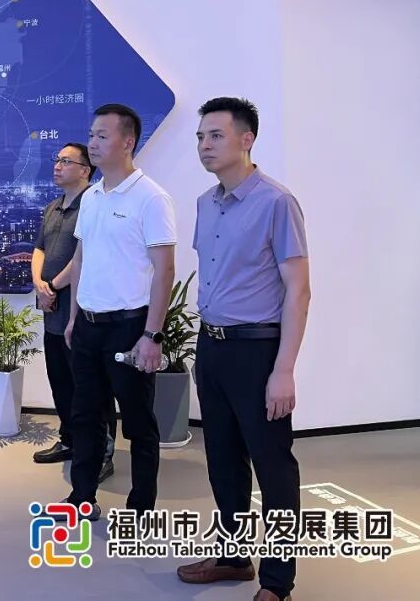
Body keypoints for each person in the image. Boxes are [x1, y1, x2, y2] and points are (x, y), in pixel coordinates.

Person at [176, 97, 310, 601]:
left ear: (246, 139)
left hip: (258, 352)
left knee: (273, 467)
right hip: (212, 348)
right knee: (223, 460)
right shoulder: (204, 202)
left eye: (215, 135)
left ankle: (277, 582)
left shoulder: (276, 202)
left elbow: (299, 290)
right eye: (200, 137)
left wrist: (284, 369)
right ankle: (233, 557)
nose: (204, 145)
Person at [62, 104, 177, 520]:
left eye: (102, 136)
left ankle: (141, 507)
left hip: (129, 328)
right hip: (88, 326)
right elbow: (81, 259)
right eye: (91, 135)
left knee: (138, 422)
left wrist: (152, 335)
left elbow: (165, 270)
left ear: (127, 142)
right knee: (86, 416)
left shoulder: (151, 197)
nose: (92, 143)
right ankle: (82, 497)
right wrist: (73, 317)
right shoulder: (91, 197)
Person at [30, 143, 117, 483]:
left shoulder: (94, 205)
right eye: (57, 160)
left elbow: (85, 257)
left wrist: (52, 286)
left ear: (85, 169)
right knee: (62, 382)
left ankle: (101, 453)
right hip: (51, 311)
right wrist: (39, 283)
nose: (57, 166)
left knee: (92, 387)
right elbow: (39, 249)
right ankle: (71, 440)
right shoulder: (52, 208)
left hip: (80, 313)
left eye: (66, 161)